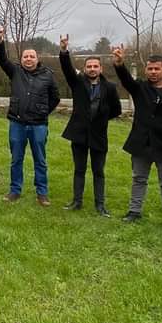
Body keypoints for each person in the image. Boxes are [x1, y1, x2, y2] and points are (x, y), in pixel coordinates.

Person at [112, 46, 162, 232]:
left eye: (157, 69)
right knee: (139, 179)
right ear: (145, 70)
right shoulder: (139, 88)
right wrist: (119, 63)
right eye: (150, 69)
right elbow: (125, 79)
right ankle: (134, 211)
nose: (153, 72)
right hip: (141, 143)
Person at [0, 27, 61, 206]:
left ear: (37, 58)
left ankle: (42, 193)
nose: (29, 59)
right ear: (21, 59)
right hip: (17, 124)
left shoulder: (47, 75)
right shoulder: (15, 71)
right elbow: (2, 59)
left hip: (39, 125)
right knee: (16, 159)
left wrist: (43, 111)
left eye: (32, 56)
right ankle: (15, 190)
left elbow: (55, 97)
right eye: (25, 56)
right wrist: (0, 41)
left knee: (40, 160)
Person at [57, 35, 122, 216]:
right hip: (78, 134)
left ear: (101, 68)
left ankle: (100, 205)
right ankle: (76, 202)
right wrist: (64, 50)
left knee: (98, 171)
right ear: (84, 69)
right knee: (79, 169)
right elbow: (67, 69)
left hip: (99, 136)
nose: (92, 69)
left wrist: (99, 120)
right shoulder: (77, 83)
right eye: (89, 66)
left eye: (95, 66)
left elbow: (116, 110)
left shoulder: (110, 87)